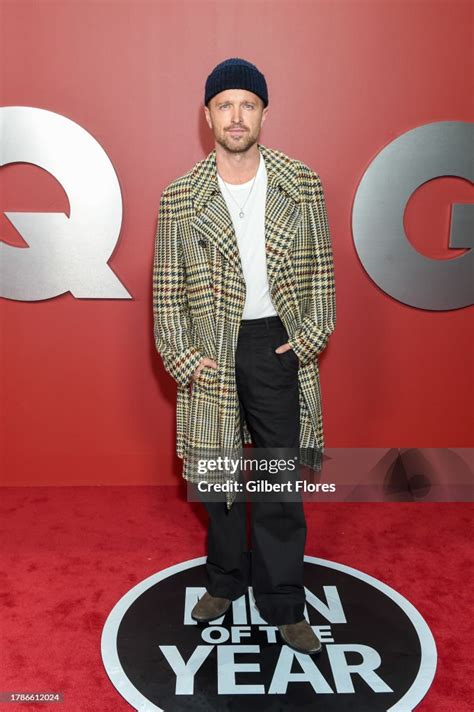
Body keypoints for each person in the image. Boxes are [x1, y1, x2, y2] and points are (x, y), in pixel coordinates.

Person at [153, 57, 336, 655]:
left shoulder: (300, 183)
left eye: (248, 104)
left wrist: (306, 339)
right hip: (211, 350)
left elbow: (322, 278)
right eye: (225, 104)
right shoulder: (181, 196)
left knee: (278, 482)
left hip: (274, 344)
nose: (237, 116)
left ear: (263, 113)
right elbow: (166, 290)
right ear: (207, 116)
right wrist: (182, 356)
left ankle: (284, 601)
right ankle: (226, 581)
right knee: (217, 479)